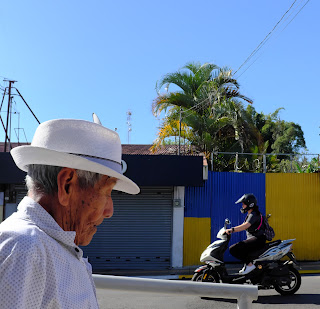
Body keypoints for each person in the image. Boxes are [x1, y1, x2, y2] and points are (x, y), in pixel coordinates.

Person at [0, 118, 140, 309]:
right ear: (66, 185)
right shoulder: (25, 249)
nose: (109, 211)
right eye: (106, 192)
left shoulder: (47, 248)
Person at [226, 193, 266, 275]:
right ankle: (249, 266)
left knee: (233, 249)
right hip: (256, 239)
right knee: (243, 250)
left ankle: (249, 265)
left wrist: (232, 230)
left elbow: (245, 226)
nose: (242, 206)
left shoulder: (254, 214)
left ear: (249, 204)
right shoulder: (251, 214)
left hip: (258, 240)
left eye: (243, 204)